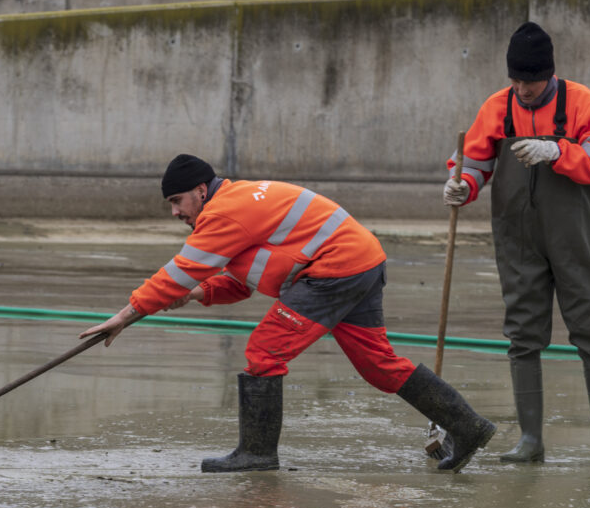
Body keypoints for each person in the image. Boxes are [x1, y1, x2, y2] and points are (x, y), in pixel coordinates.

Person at [80, 153, 496, 473]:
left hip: (335, 270)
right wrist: (197, 296)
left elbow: (178, 272)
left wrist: (126, 314)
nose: (175, 212)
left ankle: (256, 454)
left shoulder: (222, 213)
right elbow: (245, 279)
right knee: (378, 365)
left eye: (177, 200)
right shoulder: (238, 204)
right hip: (361, 261)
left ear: (201, 191)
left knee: (265, 351)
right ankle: (468, 426)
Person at [442, 21, 590, 467]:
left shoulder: (582, 103)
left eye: (530, 80)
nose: (523, 89)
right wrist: (461, 186)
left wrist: (558, 153)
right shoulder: (498, 106)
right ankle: (530, 440)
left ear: (549, 73)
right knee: (523, 334)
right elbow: (474, 162)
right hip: (517, 236)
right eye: (516, 80)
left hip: (576, 235)